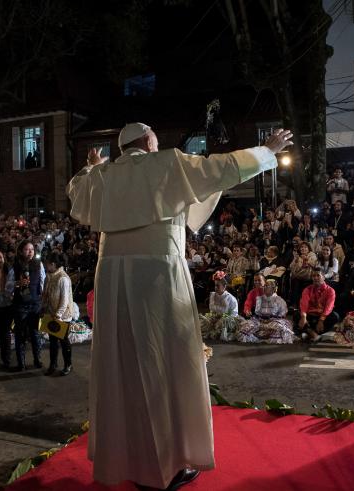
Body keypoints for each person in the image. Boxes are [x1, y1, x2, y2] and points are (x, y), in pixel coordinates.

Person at [66, 122, 293, 489]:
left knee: (121, 366)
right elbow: (220, 168)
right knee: (164, 364)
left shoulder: (100, 177)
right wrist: (266, 150)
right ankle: (164, 466)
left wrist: (92, 164)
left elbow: (76, 188)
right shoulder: (167, 163)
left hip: (110, 279)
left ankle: (126, 459)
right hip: (158, 277)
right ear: (149, 142)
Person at [8, 240, 45, 371]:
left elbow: (42, 283)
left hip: (35, 304)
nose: (30, 252)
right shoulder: (15, 265)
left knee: (35, 333)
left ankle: (37, 359)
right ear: (21, 251)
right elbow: (8, 287)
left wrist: (42, 300)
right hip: (20, 305)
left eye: (32, 250)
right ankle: (21, 363)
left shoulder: (39, 264)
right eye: (27, 249)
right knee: (20, 334)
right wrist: (17, 284)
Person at [41, 252, 77, 376]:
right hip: (51, 313)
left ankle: (68, 364)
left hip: (63, 315)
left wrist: (58, 315)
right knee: (52, 341)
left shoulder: (63, 278)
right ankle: (53, 364)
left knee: (63, 340)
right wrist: (44, 308)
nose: (45, 266)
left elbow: (64, 300)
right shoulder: (49, 277)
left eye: (47, 264)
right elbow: (45, 294)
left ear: (53, 264)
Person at [237, 280, 294, 344]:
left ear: (273, 288)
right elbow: (257, 312)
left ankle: (267, 335)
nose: (264, 287)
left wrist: (271, 319)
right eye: (264, 286)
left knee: (278, 327)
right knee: (246, 326)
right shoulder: (259, 299)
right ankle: (257, 337)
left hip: (273, 322)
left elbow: (283, 314)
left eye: (267, 286)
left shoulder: (279, 300)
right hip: (260, 321)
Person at [295, 269, 339, 342]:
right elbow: (304, 304)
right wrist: (303, 317)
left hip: (322, 316)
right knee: (297, 314)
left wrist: (321, 320)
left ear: (323, 277)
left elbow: (329, 307)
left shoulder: (330, 290)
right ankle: (314, 334)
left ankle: (307, 332)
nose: (315, 278)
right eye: (313, 276)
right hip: (310, 315)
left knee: (335, 316)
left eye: (318, 275)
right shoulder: (307, 289)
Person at [200, 273, 241, 341]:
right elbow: (212, 311)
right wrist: (213, 317)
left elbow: (233, 314)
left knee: (222, 325)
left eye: (218, 286)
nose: (215, 288)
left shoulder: (231, 299)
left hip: (227, 320)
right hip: (215, 318)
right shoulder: (213, 296)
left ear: (224, 286)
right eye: (215, 285)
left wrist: (222, 318)